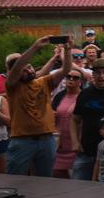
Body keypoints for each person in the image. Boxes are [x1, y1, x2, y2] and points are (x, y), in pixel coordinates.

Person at [4, 38, 72, 177]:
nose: (28, 70)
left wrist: (68, 49)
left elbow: (66, 70)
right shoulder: (12, 86)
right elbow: (18, 67)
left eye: (29, 67)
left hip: (46, 139)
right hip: (22, 141)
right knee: (15, 180)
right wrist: (35, 47)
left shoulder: (44, 82)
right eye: (23, 70)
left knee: (44, 180)